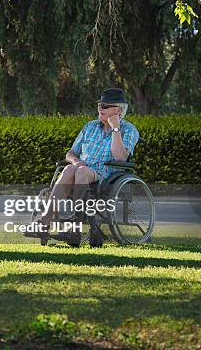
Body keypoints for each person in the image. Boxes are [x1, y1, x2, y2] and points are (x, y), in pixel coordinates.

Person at [28, 88, 140, 242]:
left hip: (107, 176)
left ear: (118, 110)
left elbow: (120, 157)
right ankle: (44, 222)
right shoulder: (90, 127)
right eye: (100, 105)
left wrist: (115, 128)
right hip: (81, 171)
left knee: (80, 172)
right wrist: (76, 161)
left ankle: (75, 227)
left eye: (106, 106)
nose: (100, 108)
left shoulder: (129, 130)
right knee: (70, 168)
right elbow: (71, 153)